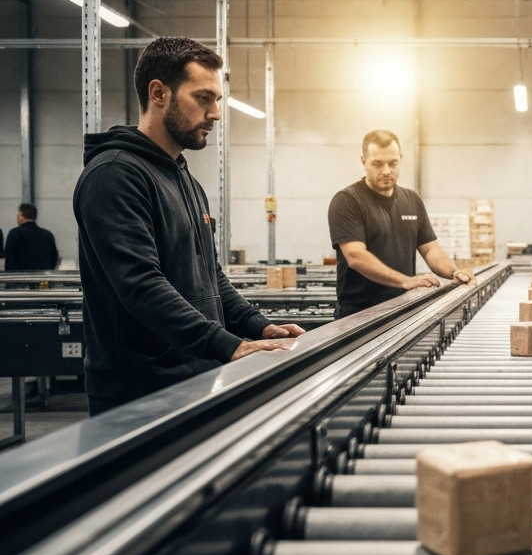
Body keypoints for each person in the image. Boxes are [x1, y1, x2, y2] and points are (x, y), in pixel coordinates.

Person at [73, 37, 304, 416]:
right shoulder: (114, 174)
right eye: (204, 98)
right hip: (139, 393)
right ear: (159, 92)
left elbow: (209, 277)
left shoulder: (184, 179)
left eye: (217, 100)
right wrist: (226, 344)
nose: (216, 113)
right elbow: (140, 284)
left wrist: (258, 326)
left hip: (196, 379)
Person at [328, 129, 473, 318]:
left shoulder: (411, 200)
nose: (386, 171)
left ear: (401, 160)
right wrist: (406, 281)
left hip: (402, 309)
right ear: (363, 162)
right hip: (359, 315)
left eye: (393, 163)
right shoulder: (348, 201)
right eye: (377, 164)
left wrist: (454, 273)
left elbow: (430, 249)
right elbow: (356, 256)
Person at [4, 203, 59, 271]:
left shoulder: (14, 234)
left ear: (21, 216)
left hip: (20, 278)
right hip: (42, 278)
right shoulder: (47, 235)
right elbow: (54, 258)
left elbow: (10, 259)